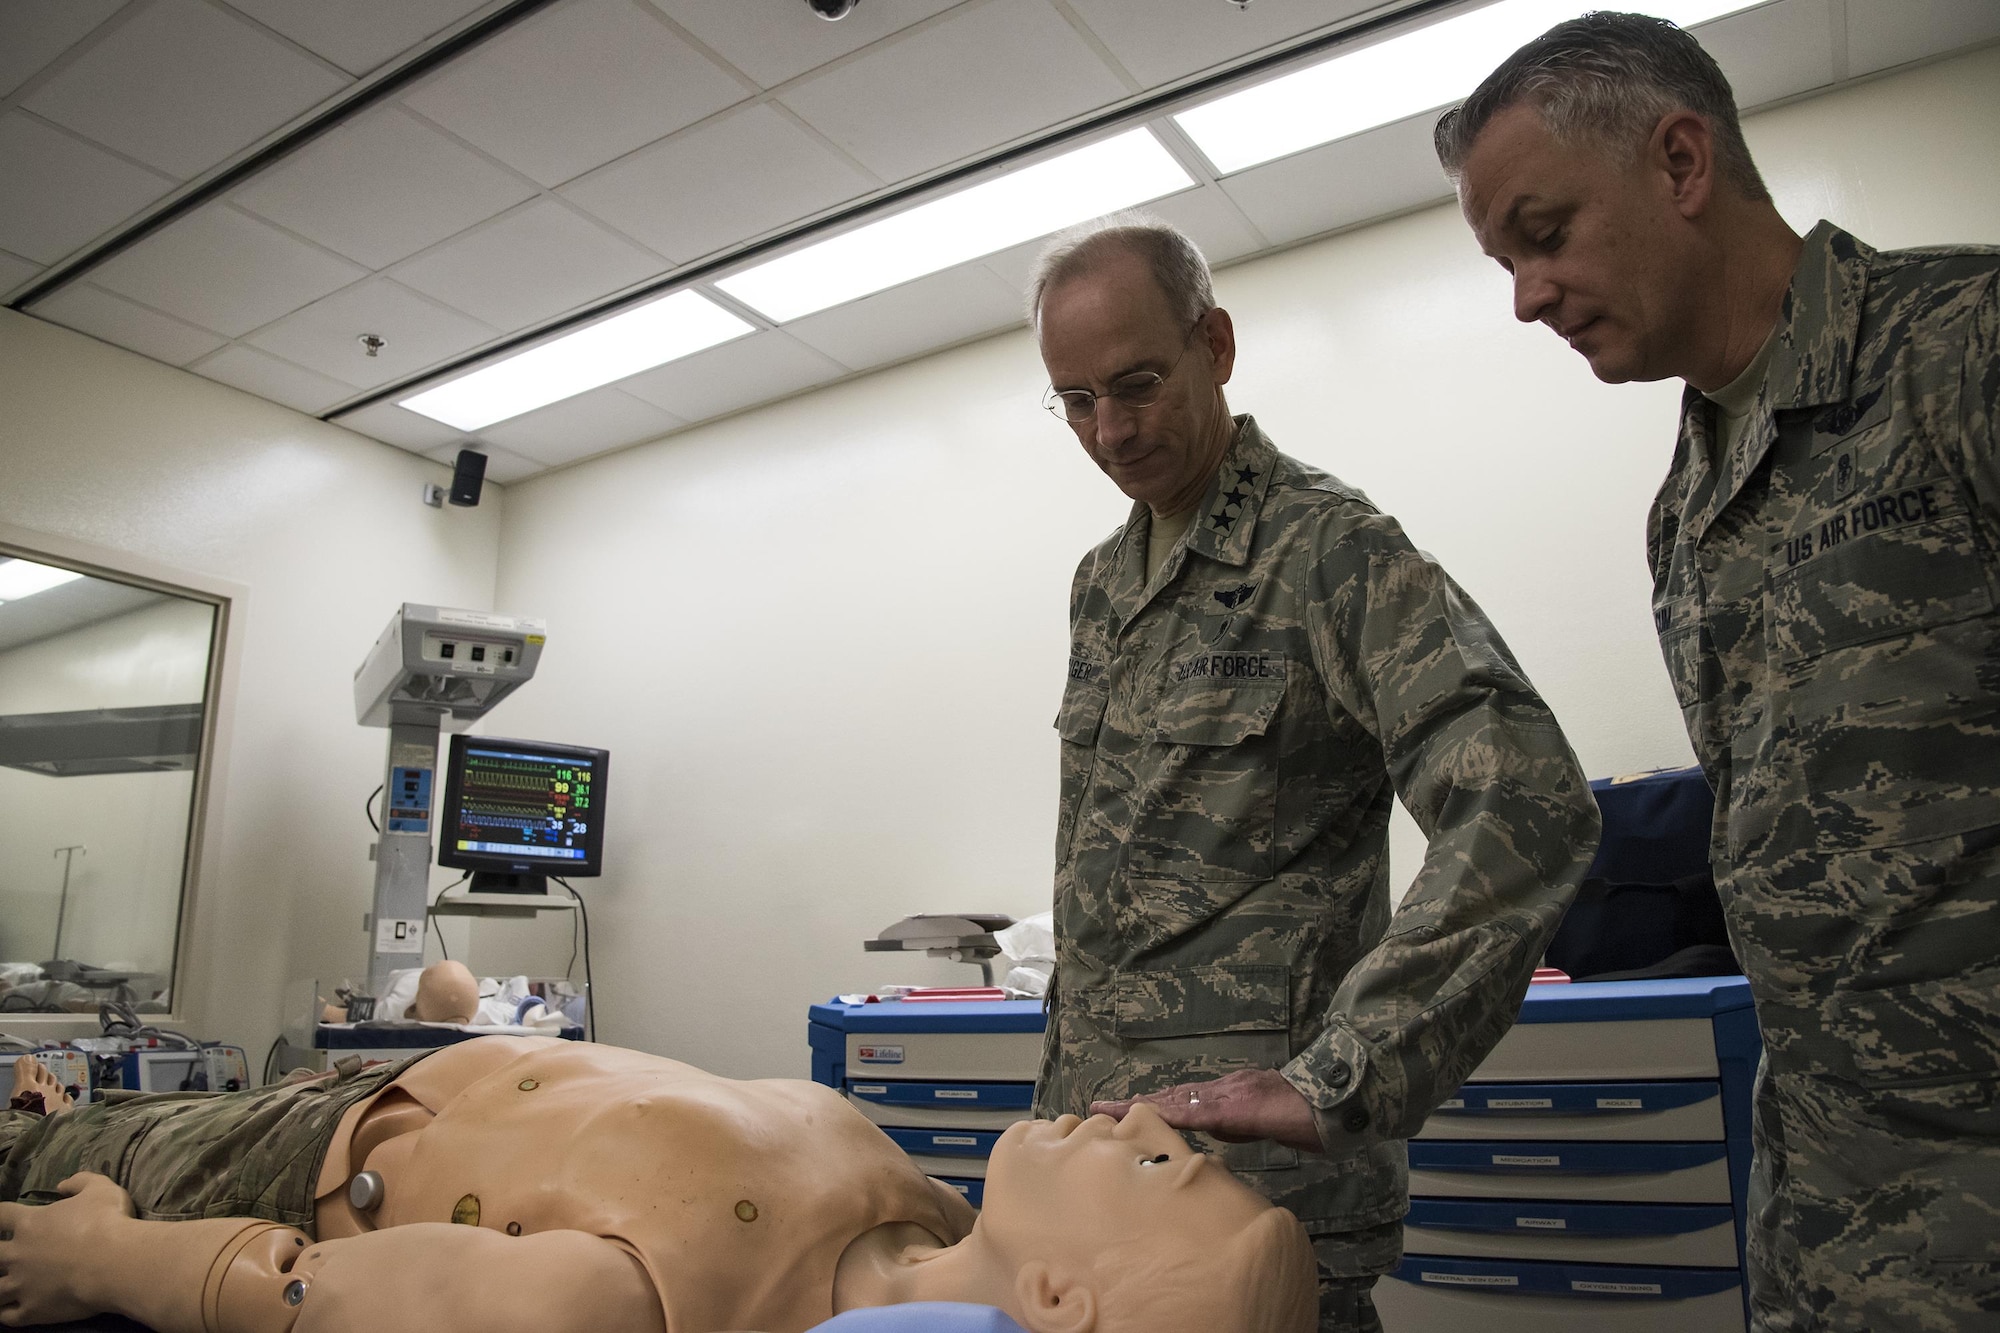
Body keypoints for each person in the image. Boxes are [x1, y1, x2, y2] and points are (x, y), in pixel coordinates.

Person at [1433, 12, 2000, 1331]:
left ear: (1681, 163)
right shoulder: (1687, 510)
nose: (1525, 294)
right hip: (1832, 1216)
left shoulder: (1960, 354)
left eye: (1544, 232)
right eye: (1502, 258)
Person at [1026, 215, 1602, 1332]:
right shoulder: (1100, 583)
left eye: (1135, 382)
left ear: (1216, 345)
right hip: (1100, 1160)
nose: (1111, 429)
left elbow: (1521, 799)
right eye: (1076, 401)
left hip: (1253, 1187)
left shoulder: (1327, 550)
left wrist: (1347, 1069)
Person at [0, 1033, 1316, 1333]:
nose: (1143, 1114)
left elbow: (313, 1299)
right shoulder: (936, 1222)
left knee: (50, 1137)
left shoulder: (638, 1301)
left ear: (1058, 1293)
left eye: (1159, 1163)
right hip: (426, 1067)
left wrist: (105, 1257)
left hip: (302, 1160)